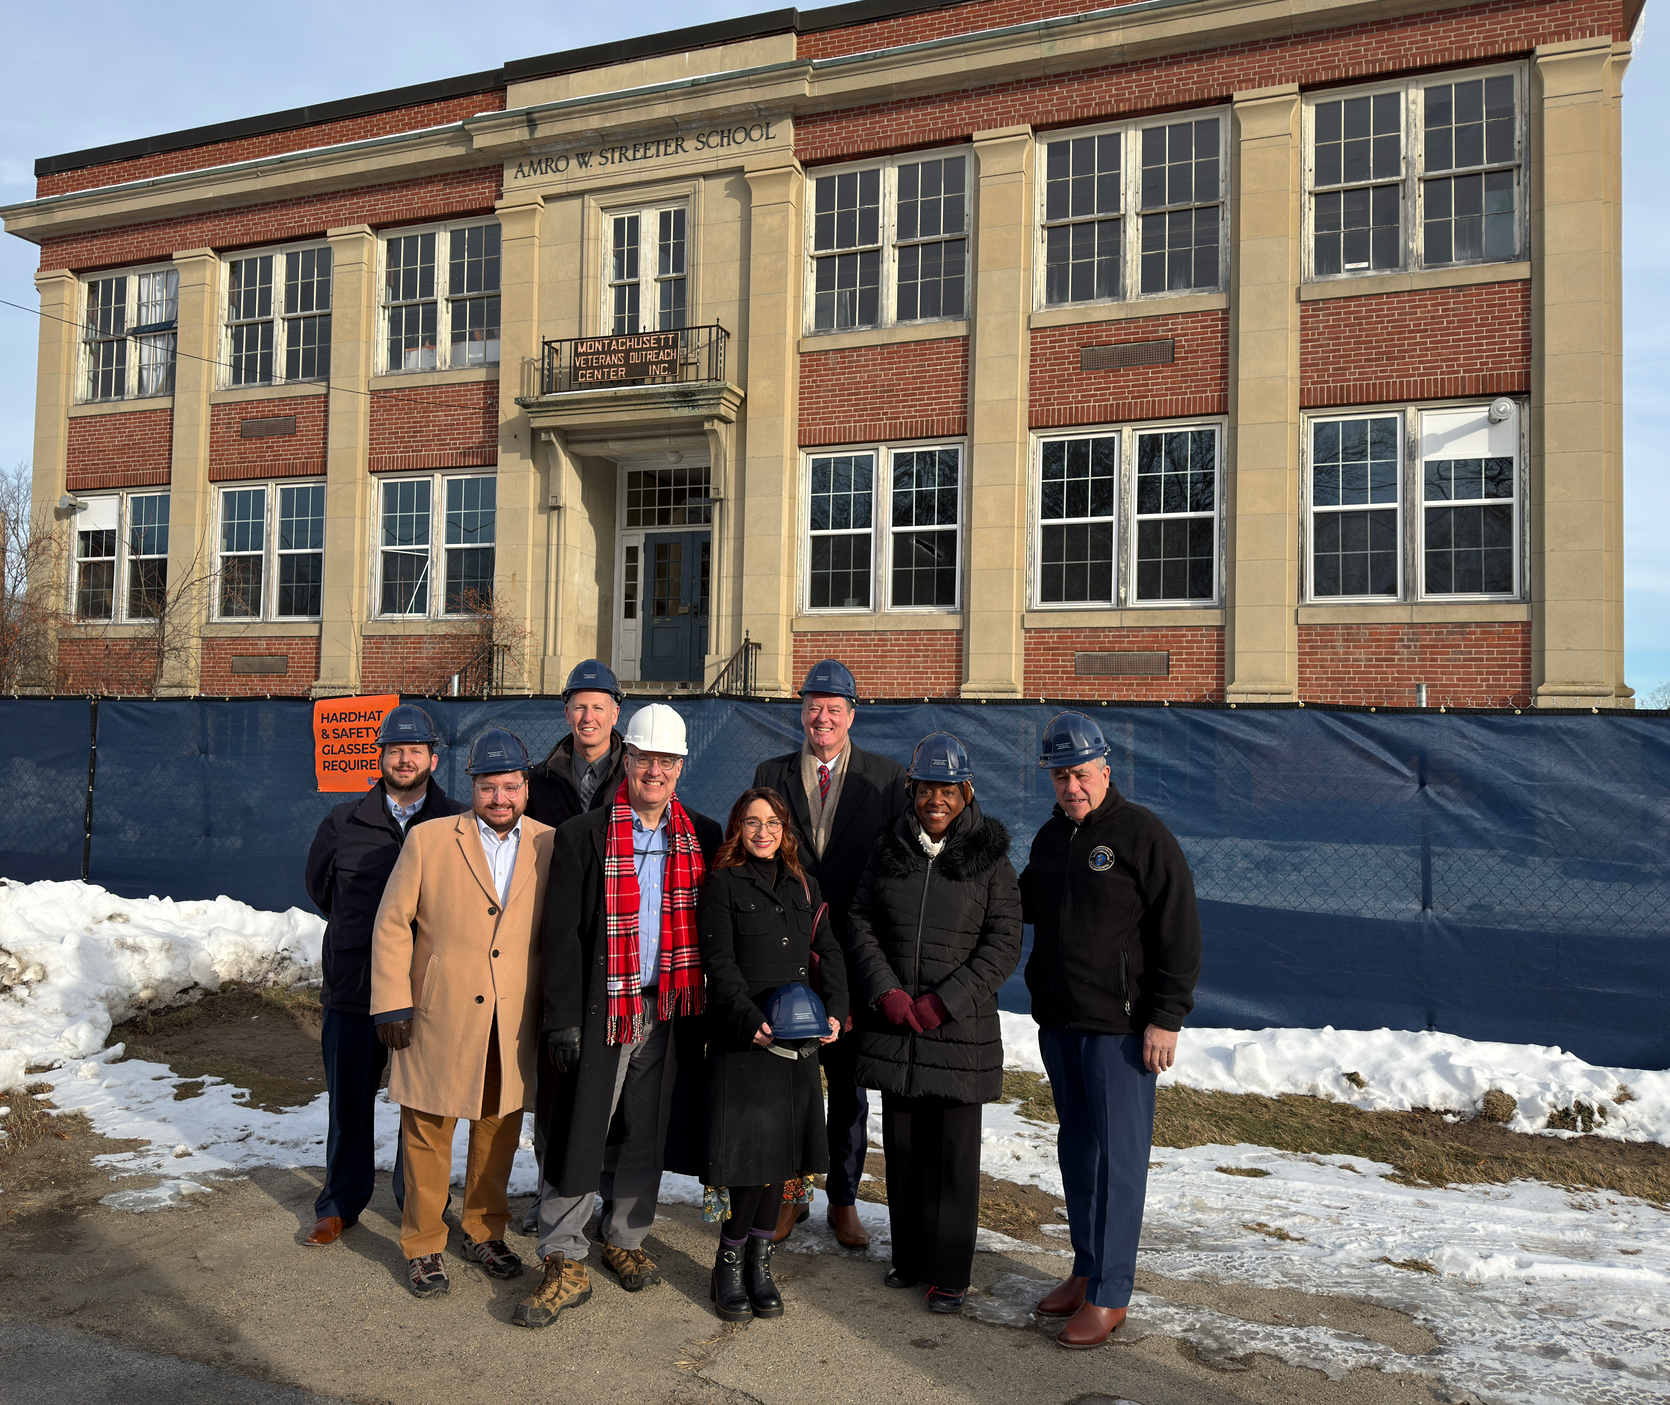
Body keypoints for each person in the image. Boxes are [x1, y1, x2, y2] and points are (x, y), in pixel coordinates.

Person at [516, 703, 722, 1329]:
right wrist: (562, 1021)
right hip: (602, 1009)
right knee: (581, 1128)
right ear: (625, 761)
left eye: (666, 761)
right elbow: (561, 937)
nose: (653, 771)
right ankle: (563, 1254)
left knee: (644, 1130)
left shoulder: (705, 838)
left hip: (669, 1007)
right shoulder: (583, 835)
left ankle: (626, 1239)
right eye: (643, 759)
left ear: (681, 767)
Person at [1019, 712, 1202, 1349]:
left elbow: (1179, 930)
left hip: (1122, 1032)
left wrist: (1165, 1017)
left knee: (1120, 1161)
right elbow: (1020, 906)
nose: (1072, 785)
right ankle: (1086, 1267)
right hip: (1061, 1023)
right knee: (1079, 1150)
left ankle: (1112, 1294)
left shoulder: (1141, 834)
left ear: (1105, 767)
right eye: (1061, 775)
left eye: (1081, 773)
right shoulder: (1049, 840)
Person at [369, 728, 554, 1299]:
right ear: (471, 786)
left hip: (512, 1018)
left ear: (526, 788)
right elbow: (393, 924)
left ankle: (482, 1230)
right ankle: (423, 1243)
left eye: (510, 787)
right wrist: (392, 1003)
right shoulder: (428, 840)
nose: (499, 798)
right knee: (427, 1129)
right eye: (488, 787)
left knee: (497, 1130)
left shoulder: (550, 843)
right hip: (438, 1015)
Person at [845, 732, 1022, 1315]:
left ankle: (949, 1272)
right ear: (912, 791)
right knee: (902, 1150)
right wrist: (886, 991)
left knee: (950, 1159)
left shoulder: (991, 861)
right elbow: (860, 920)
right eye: (926, 788)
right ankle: (911, 1258)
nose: (936, 799)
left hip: (957, 1032)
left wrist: (945, 1001)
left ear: (966, 792)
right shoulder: (888, 849)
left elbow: (1003, 944)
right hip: (898, 1028)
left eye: (947, 788)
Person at [752, 658, 907, 1247]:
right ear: (802, 711)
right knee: (790, 1085)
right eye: (814, 706)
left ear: (851, 715)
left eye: (834, 708)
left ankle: (843, 1200)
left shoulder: (886, 779)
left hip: (852, 957)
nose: (823, 717)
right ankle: (791, 1198)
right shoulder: (771, 771)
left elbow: (892, 870)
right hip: (787, 954)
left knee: (846, 1087)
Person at [302, 704, 466, 1248]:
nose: (404, 759)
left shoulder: (456, 823)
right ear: (381, 756)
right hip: (354, 985)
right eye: (395, 750)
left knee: (422, 1105)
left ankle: (418, 1206)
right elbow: (321, 890)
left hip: (427, 992)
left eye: (415, 750)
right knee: (349, 1101)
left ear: (433, 758)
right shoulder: (344, 821)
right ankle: (339, 1204)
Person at [696, 787, 848, 1323]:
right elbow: (718, 963)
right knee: (747, 1162)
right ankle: (729, 1263)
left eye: (773, 823)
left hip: (799, 1046)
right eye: (752, 822)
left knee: (782, 1160)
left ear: (786, 830)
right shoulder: (722, 884)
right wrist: (748, 1020)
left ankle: (761, 1262)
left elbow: (828, 952)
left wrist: (836, 1009)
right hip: (747, 1043)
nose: (763, 832)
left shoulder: (804, 886)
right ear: (738, 828)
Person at [527, 659, 628, 831]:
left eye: (598, 708)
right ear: (568, 714)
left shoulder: (634, 778)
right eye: (580, 708)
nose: (588, 717)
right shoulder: (536, 782)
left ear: (614, 715)